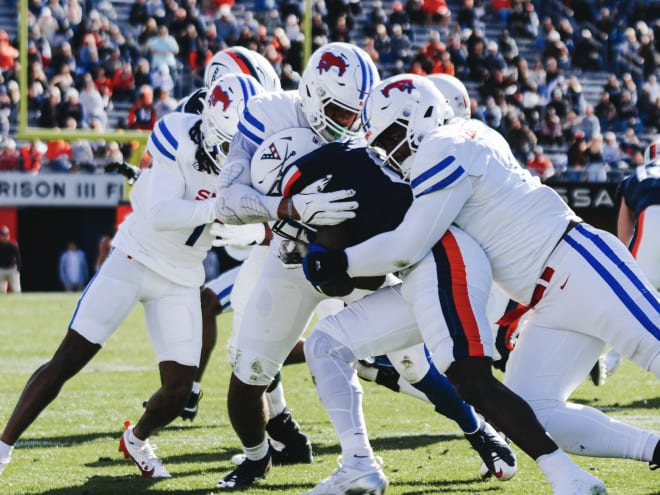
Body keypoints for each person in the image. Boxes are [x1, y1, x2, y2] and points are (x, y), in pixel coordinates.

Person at [303, 74, 660, 493]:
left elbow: (408, 245)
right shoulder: (459, 141)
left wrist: (340, 261)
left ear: (418, 116)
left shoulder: (446, 145)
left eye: (391, 137)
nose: (390, 153)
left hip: (579, 264)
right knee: (534, 411)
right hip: (546, 298)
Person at [0, 73, 265, 479]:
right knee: (68, 359)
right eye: (230, 143)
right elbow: (159, 213)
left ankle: (137, 440)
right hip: (135, 257)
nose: (236, 156)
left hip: (182, 277)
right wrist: (220, 210)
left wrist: (250, 226)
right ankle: (2, 449)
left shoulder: (247, 157)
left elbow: (237, 242)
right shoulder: (179, 133)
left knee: (179, 391)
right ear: (209, 125)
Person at [212, 42, 379, 490]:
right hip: (288, 253)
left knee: (417, 357)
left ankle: (481, 432)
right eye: (342, 113)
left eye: (356, 114)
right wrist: (288, 206)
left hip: (354, 252)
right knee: (248, 373)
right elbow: (225, 204)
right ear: (312, 93)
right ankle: (257, 456)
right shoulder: (267, 114)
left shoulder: (363, 126)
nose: (351, 125)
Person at [591, 139, 660, 384]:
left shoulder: (636, 178)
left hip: (648, 238)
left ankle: (605, 361)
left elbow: (624, 232)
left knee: (632, 308)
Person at [0, 225, 20, 293]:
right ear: (0, 236)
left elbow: (18, 257)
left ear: (9, 235)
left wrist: (18, 269)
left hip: (12, 269)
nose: (5, 236)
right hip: (1, 269)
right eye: (3, 235)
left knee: (16, 290)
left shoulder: (13, 245)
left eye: (6, 234)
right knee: (1, 291)